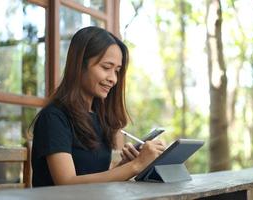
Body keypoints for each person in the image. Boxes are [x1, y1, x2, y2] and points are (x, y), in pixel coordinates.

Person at [31, 26, 165, 187]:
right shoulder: (54, 117)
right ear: (80, 65)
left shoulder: (98, 118)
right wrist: (136, 165)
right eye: (106, 67)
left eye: (117, 71)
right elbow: (66, 183)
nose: (113, 79)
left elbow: (92, 178)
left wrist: (125, 165)